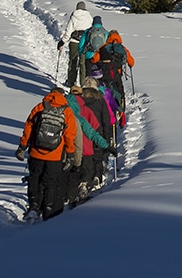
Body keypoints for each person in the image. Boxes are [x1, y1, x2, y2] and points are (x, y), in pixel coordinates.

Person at [16, 88, 77, 221]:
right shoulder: (66, 112)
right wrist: (70, 154)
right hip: (55, 155)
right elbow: (70, 135)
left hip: (36, 152)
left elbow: (28, 128)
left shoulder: (39, 107)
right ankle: (48, 208)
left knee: (35, 179)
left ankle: (34, 206)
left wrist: (22, 146)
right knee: (50, 182)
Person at [65, 85, 107, 206]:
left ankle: (69, 197)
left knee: (71, 175)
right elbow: (94, 129)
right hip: (87, 149)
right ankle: (82, 190)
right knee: (86, 173)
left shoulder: (65, 110)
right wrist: (104, 144)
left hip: (68, 151)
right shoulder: (85, 110)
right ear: (81, 95)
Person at [79, 76, 116, 190]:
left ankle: (84, 180)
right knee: (97, 157)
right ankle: (97, 176)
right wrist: (107, 136)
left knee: (83, 157)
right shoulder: (100, 100)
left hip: (82, 133)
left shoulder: (80, 100)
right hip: (97, 132)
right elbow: (106, 119)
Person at [59, 2, 94, 87]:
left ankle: (71, 82)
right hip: (84, 43)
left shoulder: (74, 16)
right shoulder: (89, 17)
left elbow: (69, 31)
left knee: (73, 61)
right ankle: (83, 84)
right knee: (83, 63)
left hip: (74, 42)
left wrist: (63, 41)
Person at [97, 29, 135, 107]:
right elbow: (131, 61)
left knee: (107, 87)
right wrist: (130, 65)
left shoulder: (104, 47)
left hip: (105, 70)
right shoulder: (122, 48)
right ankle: (121, 104)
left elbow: (95, 58)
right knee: (118, 87)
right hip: (117, 71)